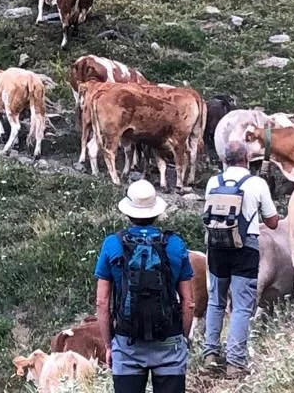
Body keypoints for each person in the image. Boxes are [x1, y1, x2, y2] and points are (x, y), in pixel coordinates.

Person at [95, 179, 195, 393]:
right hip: (169, 342)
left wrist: (108, 345)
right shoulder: (175, 244)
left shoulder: (112, 244)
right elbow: (189, 303)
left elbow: (102, 302)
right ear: (156, 212)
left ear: (128, 212)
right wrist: (181, 339)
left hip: (127, 342)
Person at [201, 139, 280, 378]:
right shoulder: (256, 183)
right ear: (247, 159)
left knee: (216, 300)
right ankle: (235, 362)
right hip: (245, 248)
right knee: (242, 306)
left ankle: (210, 355)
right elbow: (273, 222)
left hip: (216, 246)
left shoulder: (214, 181)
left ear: (224, 160)